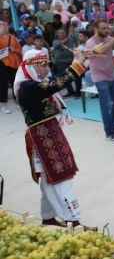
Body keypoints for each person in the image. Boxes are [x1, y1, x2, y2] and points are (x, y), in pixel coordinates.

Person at [15, 49, 88, 227]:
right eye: (42, 65)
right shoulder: (27, 87)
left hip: (45, 132)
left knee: (49, 178)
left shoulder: (32, 84)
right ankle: (74, 221)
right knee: (61, 176)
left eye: (47, 64)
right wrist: (77, 64)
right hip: (43, 135)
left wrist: (81, 62)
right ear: (30, 67)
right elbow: (56, 84)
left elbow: (54, 83)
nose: (47, 68)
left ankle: (48, 217)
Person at [86, 21, 114, 141]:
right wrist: (113, 41)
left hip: (110, 75)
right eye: (103, 28)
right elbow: (99, 51)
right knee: (106, 104)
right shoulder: (90, 42)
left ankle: (113, 125)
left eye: (107, 28)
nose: (106, 30)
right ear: (96, 29)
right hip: (99, 77)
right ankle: (109, 133)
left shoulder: (109, 39)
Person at [0, 21, 23, 114]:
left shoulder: (13, 38)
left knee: (15, 83)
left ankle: (18, 102)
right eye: (1, 26)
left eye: (4, 26)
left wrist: (14, 50)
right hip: (2, 63)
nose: (3, 27)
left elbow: (19, 50)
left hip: (14, 63)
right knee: (3, 84)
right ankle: (3, 105)